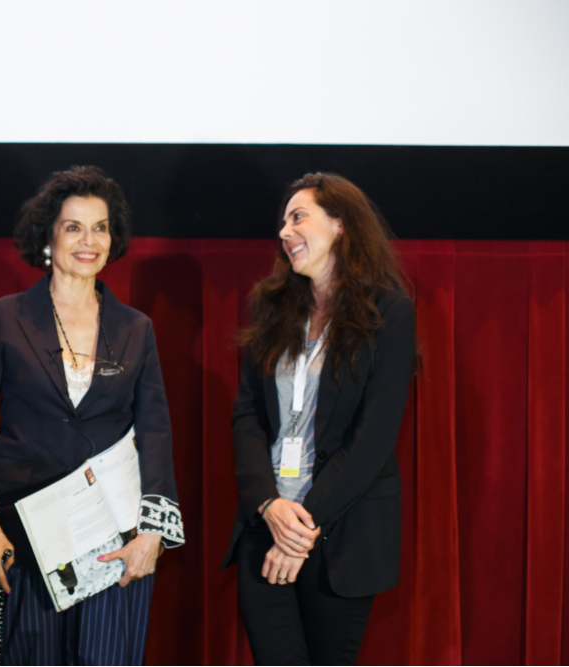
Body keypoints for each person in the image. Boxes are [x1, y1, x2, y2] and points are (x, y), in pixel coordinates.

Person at [0, 166, 184, 666]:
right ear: (49, 235)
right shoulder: (5, 317)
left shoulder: (136, 329)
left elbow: (155, 431)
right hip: (23, 535)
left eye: (100, 227)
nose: (89, 240)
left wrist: (152, 532)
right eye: (73, 227)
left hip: (112, 537)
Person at [221, 173, 416, 666]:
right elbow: (247, 414)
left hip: (340, 538)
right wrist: (268, 505)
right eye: (283, 222)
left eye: (298, 217)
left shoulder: (389, 312)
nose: (285, 232)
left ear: (341, 225)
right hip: (266, 526)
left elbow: (374, 437)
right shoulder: (270, 307)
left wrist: (301, 530)